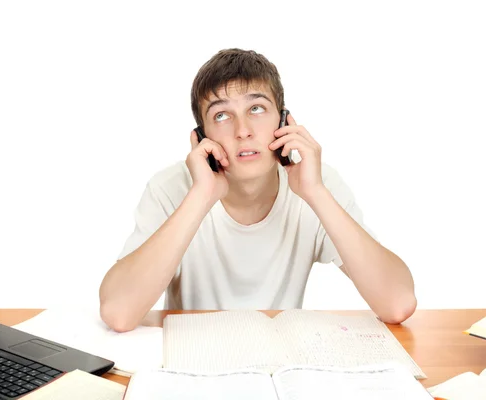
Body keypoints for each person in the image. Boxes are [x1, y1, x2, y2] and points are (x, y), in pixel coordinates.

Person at [99, 48, 417, 332]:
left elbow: (397, 303)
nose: (243, 131)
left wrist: (316, 192)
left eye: (256, 109)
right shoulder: (171, 188)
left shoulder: (316, 183)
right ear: (201, 136)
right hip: (197, 364)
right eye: (222, 116)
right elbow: (118, 313)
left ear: (283, 121)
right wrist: (201, 196)